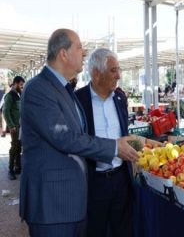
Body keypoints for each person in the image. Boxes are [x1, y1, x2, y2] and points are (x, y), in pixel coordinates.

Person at [19, 29, 138, 237]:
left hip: (72, 204)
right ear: (63, 54)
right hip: (53, 207)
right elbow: (65, 137)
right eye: (79, 47)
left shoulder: (64, 90)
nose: (84, 53)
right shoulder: (38, 89)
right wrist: (114, 147)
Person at [75, 48, 134, 237]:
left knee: (123, 230)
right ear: (96, 74)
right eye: (113, 70)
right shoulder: (78, 100)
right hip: (94, 183)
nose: (119, 75)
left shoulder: (120, 97)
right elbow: (77, 142)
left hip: (120, 179)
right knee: (95, 230)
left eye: (119, 69)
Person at [3, 76, 25, 180]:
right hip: (15, 127)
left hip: (20, 126)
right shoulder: (10, 96)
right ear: (15, 83)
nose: (22, 87)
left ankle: (18, 167)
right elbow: (5, 112)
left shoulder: (18, 95)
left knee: (18, 147)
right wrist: (11, 125)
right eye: (20, 85)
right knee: (14, 147)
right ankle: (10, 170)